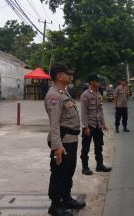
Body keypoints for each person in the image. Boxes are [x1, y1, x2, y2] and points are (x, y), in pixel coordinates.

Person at [45, 63, 85, 216]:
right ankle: (55, 205)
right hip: (62, 141)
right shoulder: (54, 95)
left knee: (68, 171)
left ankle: (66, 198)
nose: (70, 75)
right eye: (67, 73)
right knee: (59, 173)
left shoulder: (63, 92)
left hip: (70, 140)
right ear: (59, 76)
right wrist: (57, 146)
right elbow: (54, 123)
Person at [80, 74, 112, 176]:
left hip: (98, 125)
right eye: (97, 81)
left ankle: (99, 165)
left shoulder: (98, 93)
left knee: (99, 146)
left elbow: (100, 110)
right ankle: (85, 167)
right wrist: (85, 127)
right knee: (86, 147)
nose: (99, 82)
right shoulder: (85, 95)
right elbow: (84, 112)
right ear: (92, 82)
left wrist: (103, 123)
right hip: (89, 125)